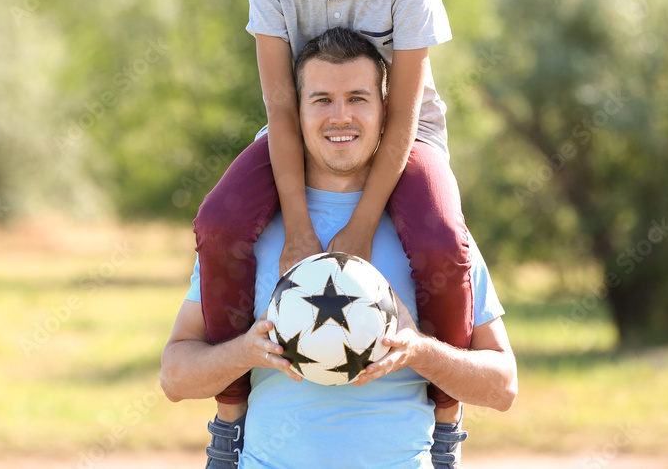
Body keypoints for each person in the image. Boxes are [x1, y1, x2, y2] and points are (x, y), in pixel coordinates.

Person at [194, 0, 476, 430]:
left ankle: (447, 419)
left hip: (406, 131)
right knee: (217, 223)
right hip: (301, 127)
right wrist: (297, 227)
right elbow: (279, 107)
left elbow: (402, 111)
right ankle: (230, 414)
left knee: (442, 241)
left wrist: (363, 225)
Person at [164, 28, 518, 469]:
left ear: (387, 111)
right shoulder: (250, 230)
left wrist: (420, 350)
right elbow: (174, 376)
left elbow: (503, 387)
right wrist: (246, 353)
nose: (340, 117)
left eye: (357, 98)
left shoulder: (430, 230)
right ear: (294, 111)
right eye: (321, 100)